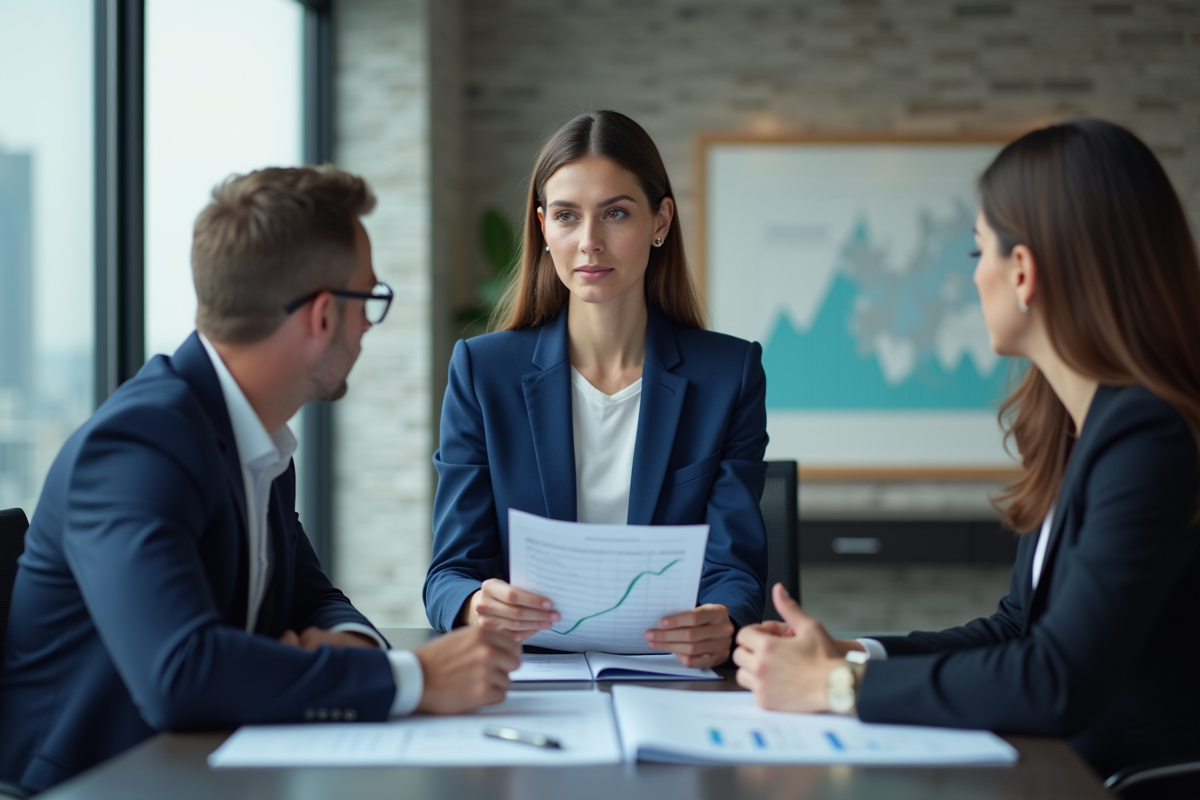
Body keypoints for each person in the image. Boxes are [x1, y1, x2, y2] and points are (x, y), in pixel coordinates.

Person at [0, 166, 520, 792]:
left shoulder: (257, 435)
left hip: (209, 768)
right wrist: (412, 679)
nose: (367, 329)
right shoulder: (136, 448)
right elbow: (181, 674)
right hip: (98, 783)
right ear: (324, 316)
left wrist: (350, 642)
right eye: (369, 300)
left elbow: (309, 595)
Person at [732, 119, 1200, 778]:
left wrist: (835, 690)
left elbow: (1056, 678)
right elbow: (1019, 628)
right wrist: (848, 655)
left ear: (1024, 271)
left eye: (978, 251)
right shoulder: (1081, 428)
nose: (975, 275)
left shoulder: (1149, 438)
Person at [423, 111, 769, 667]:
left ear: (660, 222)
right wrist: (474, 605)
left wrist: (723, 619)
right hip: (528, 674)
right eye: (566, 216)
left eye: (615, 213)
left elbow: (735, 569)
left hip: (670, 674)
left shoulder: (729, 374)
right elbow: (449, 573)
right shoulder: (482, 373)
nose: (589, 242)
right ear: (542, 228)